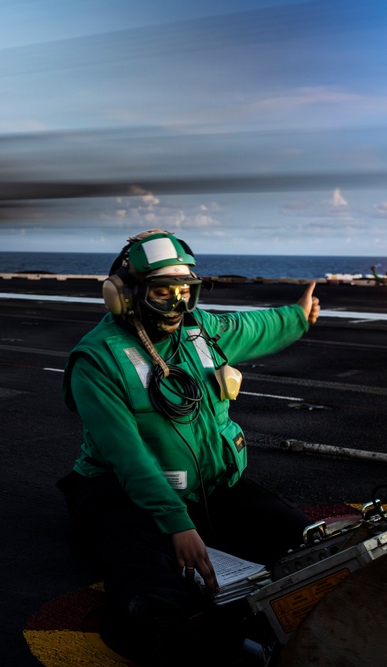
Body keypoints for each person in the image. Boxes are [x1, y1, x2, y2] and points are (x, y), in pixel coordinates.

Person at [56, 230, 321, 665]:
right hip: (122, 496)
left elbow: (253, 327)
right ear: (123, 294)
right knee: (146, 581)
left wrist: (296, 315)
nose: (178, 306)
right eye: (163, 293)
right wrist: (177, 523)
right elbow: (128, 456)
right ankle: (163, 639)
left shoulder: (199, 332)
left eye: (186, 292)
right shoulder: (97, 359)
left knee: (304, 542)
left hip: (209, 488)